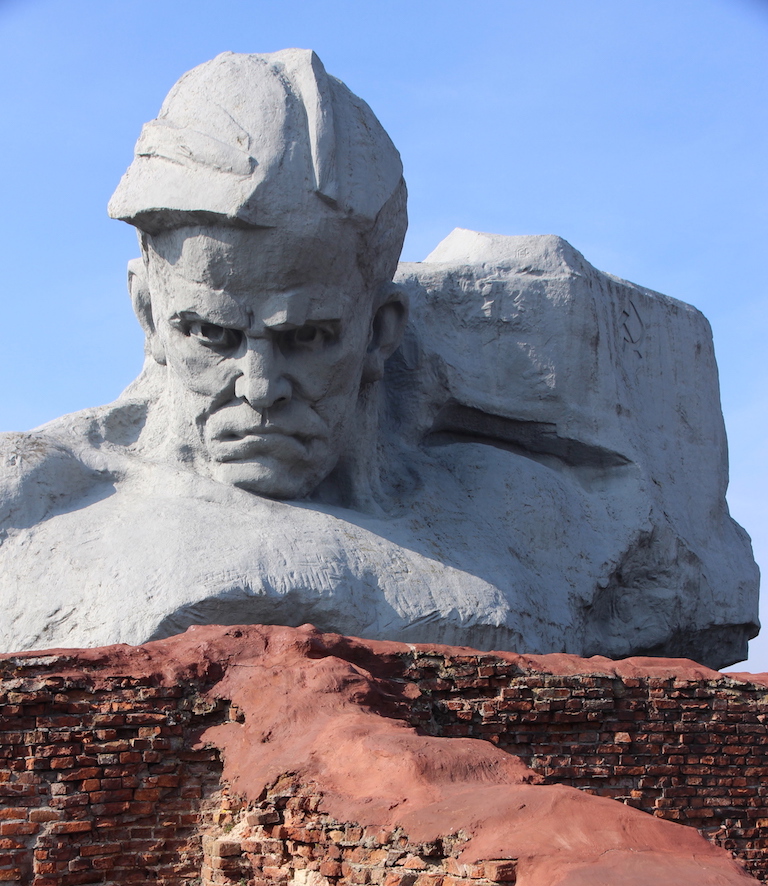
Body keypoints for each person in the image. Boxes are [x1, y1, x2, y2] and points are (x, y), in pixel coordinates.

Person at [0, 51, 758, 665]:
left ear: (382, 328)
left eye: (309, 337)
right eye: (213, 336)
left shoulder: (524, 517)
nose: (260, 387)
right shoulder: (38, 508)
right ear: (147, 313)